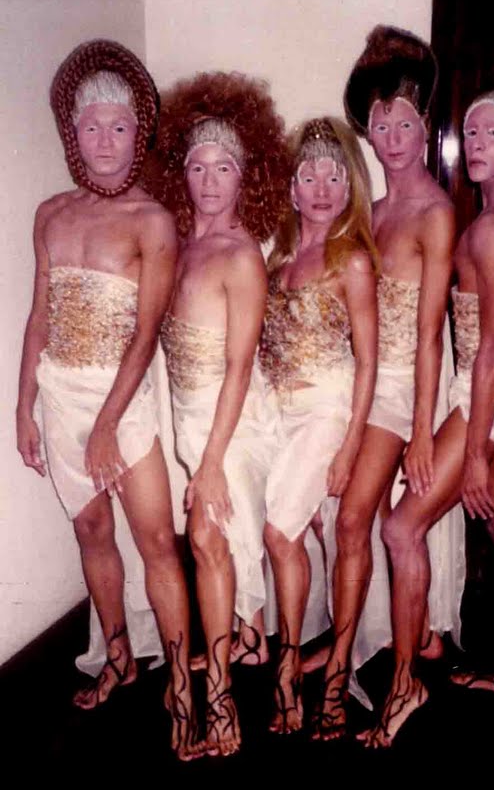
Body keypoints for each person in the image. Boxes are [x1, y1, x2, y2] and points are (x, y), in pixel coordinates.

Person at [360, 85, 494, 747]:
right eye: (472, 133)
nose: (477, 146)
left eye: (493, 135)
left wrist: (476, 448)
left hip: (491, 386)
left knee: (401, 528)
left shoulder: (493, 226)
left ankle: (404, 687)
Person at [16, 40, 200, 761]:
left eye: (118, 127)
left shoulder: (153, 221)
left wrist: (107, 425)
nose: (104, 139)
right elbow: (40, 316)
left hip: (123, 400)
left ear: (136, 133)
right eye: (91, 126)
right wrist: (23, 407)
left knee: (155, 541)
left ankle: (182, 690)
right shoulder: (50, 213)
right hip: (60, 395)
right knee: (91, 531)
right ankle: (119, 657)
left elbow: (147, 333)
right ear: (73, 132)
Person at [306, 25, 466, 741]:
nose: (393, 137)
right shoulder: (370, 213)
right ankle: (357, 649)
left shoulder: (435, 212)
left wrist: (423, 433)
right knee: (333, 518)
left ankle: (374, 681)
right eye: (380, 123)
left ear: (424, 124)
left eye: (405, 122)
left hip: (408, 388)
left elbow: (430, 335)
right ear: (366, 132)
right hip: (365, 385)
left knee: (360, 525)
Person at [148, 71, 290, 755]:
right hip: (190, 419)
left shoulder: (240, 257)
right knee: (211, 545)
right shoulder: (179, 246)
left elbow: (238, 368)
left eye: (224, 167)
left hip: (232, 425)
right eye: (198, 166)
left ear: (245, 176)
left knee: (206, 538)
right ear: (183, 172)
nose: (209, 180)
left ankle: (221, 700)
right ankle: (235, 650)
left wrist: (208, 464)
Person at [259, 116, 379, 734]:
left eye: (334, 177)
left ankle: (309, 677)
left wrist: (350, 445)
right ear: (292, 187)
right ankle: (306, 665)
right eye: (310, 176)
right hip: (279, 414)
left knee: (279, 534)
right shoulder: (278, 259)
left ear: (349, 185)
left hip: (328, 411)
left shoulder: (351, 261)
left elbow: (369, 362)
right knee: (293, 535)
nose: (323, 189)